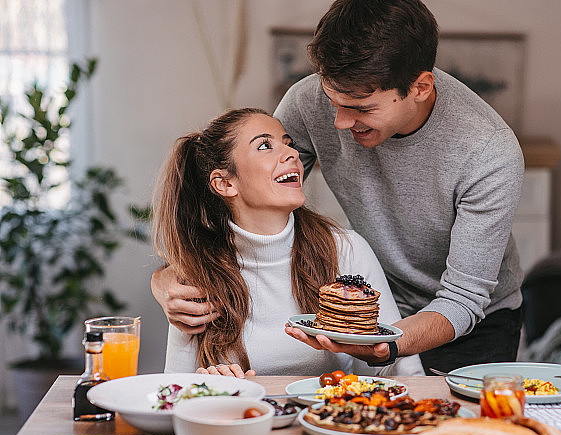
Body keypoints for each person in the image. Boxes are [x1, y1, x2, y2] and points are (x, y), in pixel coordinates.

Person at [151, 0, 525, 374]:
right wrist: (172, 275)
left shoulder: (489, 152)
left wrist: (383, 344)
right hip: (375, 303)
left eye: (361, 108)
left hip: (469, 325)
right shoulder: (308, 100)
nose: (341, 123)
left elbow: (462, 299)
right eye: (333, 101)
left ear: (420, 87)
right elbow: (251, 191)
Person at [152, 107, 423, 377]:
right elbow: (175, 391)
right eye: (265, 146)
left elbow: (399, 372)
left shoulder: (346, 249)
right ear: (225, 184)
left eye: (288, 144)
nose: (292, 154)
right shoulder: (195, 276)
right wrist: (211, 390)